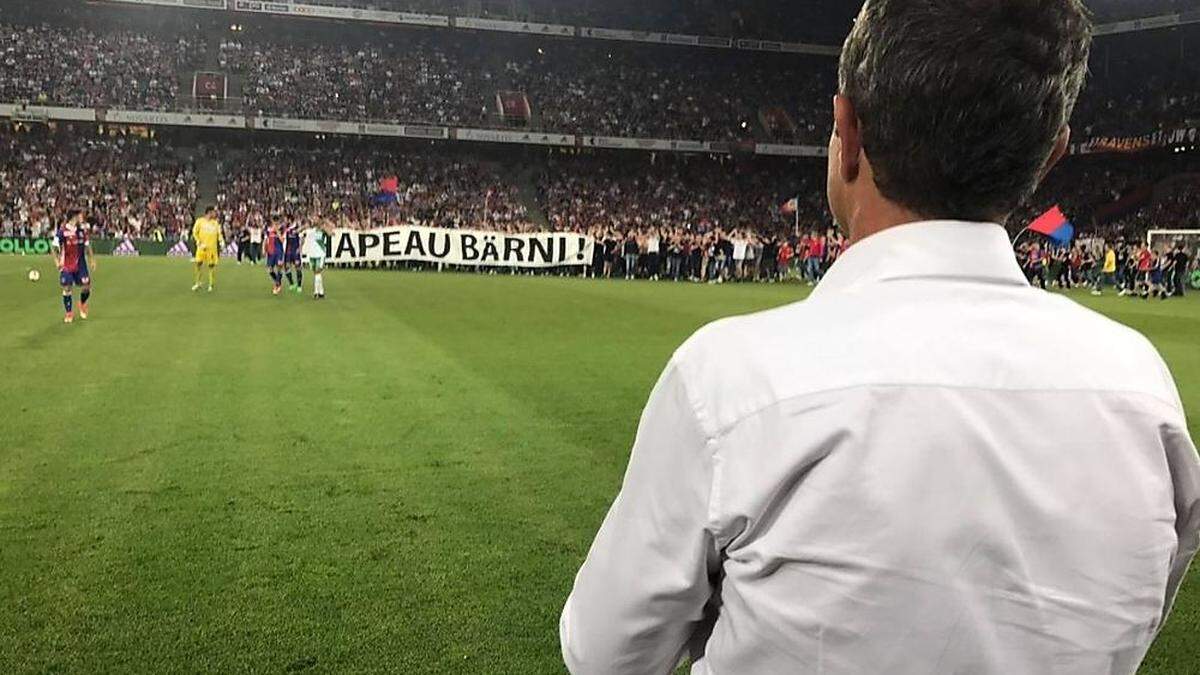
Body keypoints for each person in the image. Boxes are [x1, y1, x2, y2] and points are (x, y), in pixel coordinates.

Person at [561, 2, 1200, 674]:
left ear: (848, 128)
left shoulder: (732, 380)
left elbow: (604, 653)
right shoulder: (1141, 392)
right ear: (1050, 157)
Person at [51, 209, 94, 323]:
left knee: (86, 287)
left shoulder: (82, 231)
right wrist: (56, 261)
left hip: (81, 264)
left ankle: (82, 303)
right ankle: (69, 313)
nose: (82, 218)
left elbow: (87, 246)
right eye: (80, 216)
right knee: (67, 288)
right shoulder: (62, 231)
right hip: (67, 265)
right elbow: (54, 247)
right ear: (73, 217)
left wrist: (92, 259)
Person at [190, 206, 223, 292]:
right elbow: (194, 232)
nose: (215, 214)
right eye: (213, 212)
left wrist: (221, 241)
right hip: (202, 247)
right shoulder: (200, 221)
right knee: (198, 263)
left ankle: (210, 284)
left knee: (211, 266)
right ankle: (198, 283)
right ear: (209, 212)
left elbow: (219, 234)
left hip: (211, 248)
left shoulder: (215, 223)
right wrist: (198, 242)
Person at [302, 220, 329, 299]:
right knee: (316, 273)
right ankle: (321, 292)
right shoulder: (310, 231)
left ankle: (316, 292)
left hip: (320, 254)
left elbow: (332, 233)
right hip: (312, 254)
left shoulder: (323, 231)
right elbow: (300, 234)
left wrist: (326, 225)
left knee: (318, 271)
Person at [263, 221, 285, 295]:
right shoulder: (268, 231)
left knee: (279, 267)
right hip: (271, 252)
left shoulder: (282, 230)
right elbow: (266, 240)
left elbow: (282, 240)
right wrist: (264, 249)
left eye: (277, 224)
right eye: (274, 224)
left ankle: (277, 286)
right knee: (270, 270)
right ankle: (277, 282)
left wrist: (278, 232)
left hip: (278, 252)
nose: (275, 225)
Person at [283, 221, 304, 293]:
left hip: (295, 251)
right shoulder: (286, 229)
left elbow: (302, 238)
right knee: (287, 267)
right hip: (288, 251)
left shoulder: (297, 228)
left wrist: (300, 248)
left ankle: (299, 286)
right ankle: (291, 284)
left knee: (297, 267)